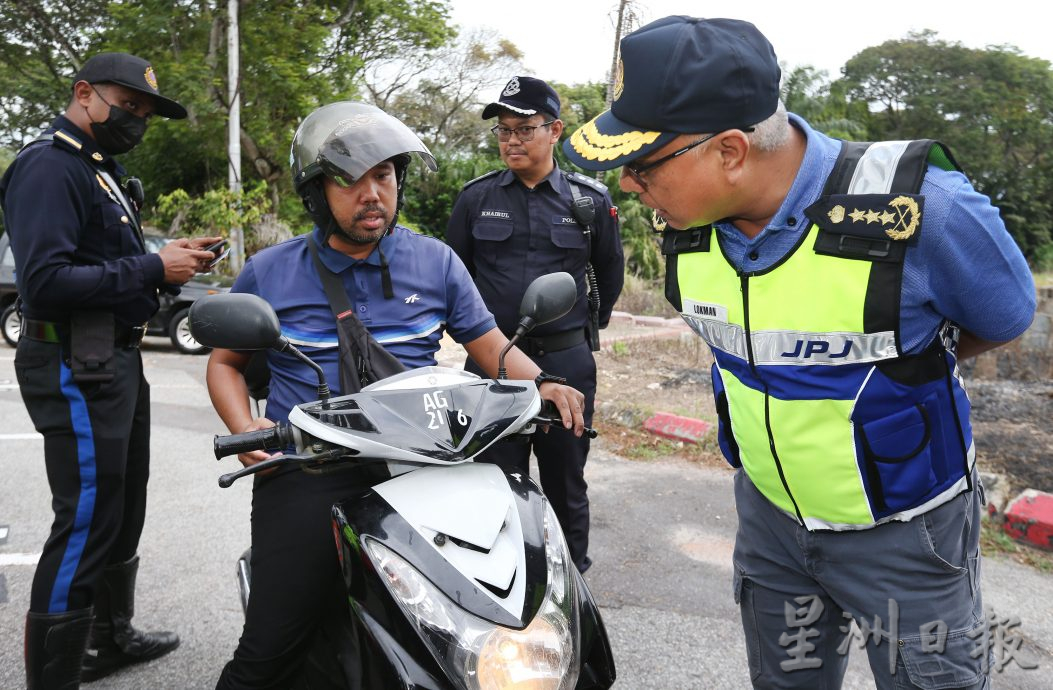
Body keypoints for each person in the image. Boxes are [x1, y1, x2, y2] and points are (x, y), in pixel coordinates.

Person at [563, 16, 1036, 690]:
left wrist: (899, 367)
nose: (629, 186)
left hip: (904, 527)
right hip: (770, 522)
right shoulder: (687, 231)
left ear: (728, 151)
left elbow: (1001, 317)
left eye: (640, 166)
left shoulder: (921, 209)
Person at [205, 100, 586, 689]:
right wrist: (247, 434)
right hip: (309, 466)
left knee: (500, 615)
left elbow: (490, 349)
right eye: (351, 180)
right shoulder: (270, 271)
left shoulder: (434, 261)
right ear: (315, 191)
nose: (372, 194)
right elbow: (226, 364)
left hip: (424, 462)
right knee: (269, 650)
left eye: (383, 176)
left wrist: (544, 384)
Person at [0, 52, 221, 687]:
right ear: (83, 94)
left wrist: (173, 259)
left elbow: (105, 260)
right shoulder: (49, 167)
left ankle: (107, 638)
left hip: (114, 357)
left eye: (145, 114)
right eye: (128, 107)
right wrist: (155, 269)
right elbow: (43, 281)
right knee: (88, 517)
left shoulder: (99, 169)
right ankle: (55, 676)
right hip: (73, 361)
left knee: (124, 506)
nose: (137, 120)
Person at [446, 76, 624, 574]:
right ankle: (500, 577)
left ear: (555, 131)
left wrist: (584, 329)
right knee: (491, 476)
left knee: (566, 477)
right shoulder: (475, 199)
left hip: (566, 362)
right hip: (493, 361)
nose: (512, 141)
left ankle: (572, 581)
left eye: (524, 129)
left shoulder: (587, 201)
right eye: (503, 131)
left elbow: (609, 273)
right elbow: (455, 276)